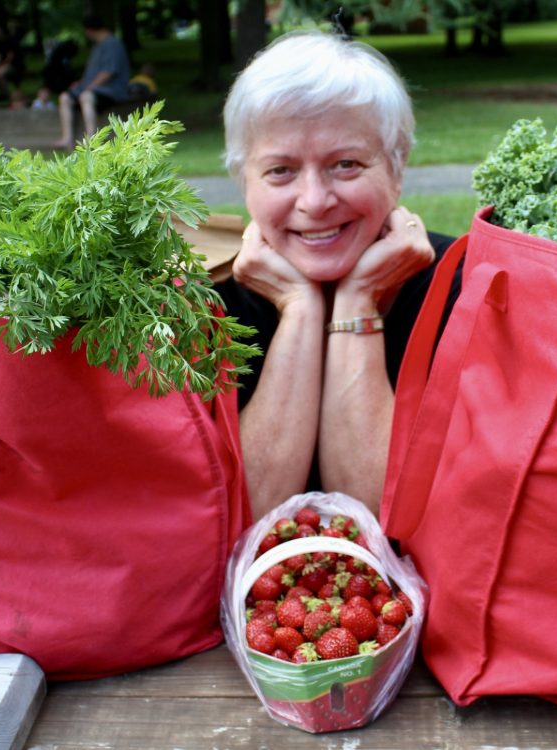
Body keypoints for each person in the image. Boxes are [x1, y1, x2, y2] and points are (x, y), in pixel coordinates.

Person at [216, 31, 459, 519]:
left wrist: (358, 299)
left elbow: (377, 521)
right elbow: (246, 518)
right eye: (281, 171)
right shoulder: (205, 303)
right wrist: (301, 308)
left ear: (397, 165)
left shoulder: (466, 291)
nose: (314, 201)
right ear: (244, 181)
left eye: (345, 164)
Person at [53, 15, 131, 147]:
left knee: (86, 96)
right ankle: (67, 139)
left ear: (89, 31)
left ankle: (92, 139)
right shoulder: (97, 46)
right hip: (92, 89)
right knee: (65, 97)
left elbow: (108, 72)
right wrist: (81, 84)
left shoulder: (113, 44)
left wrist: (88, 87)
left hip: (111, 91)